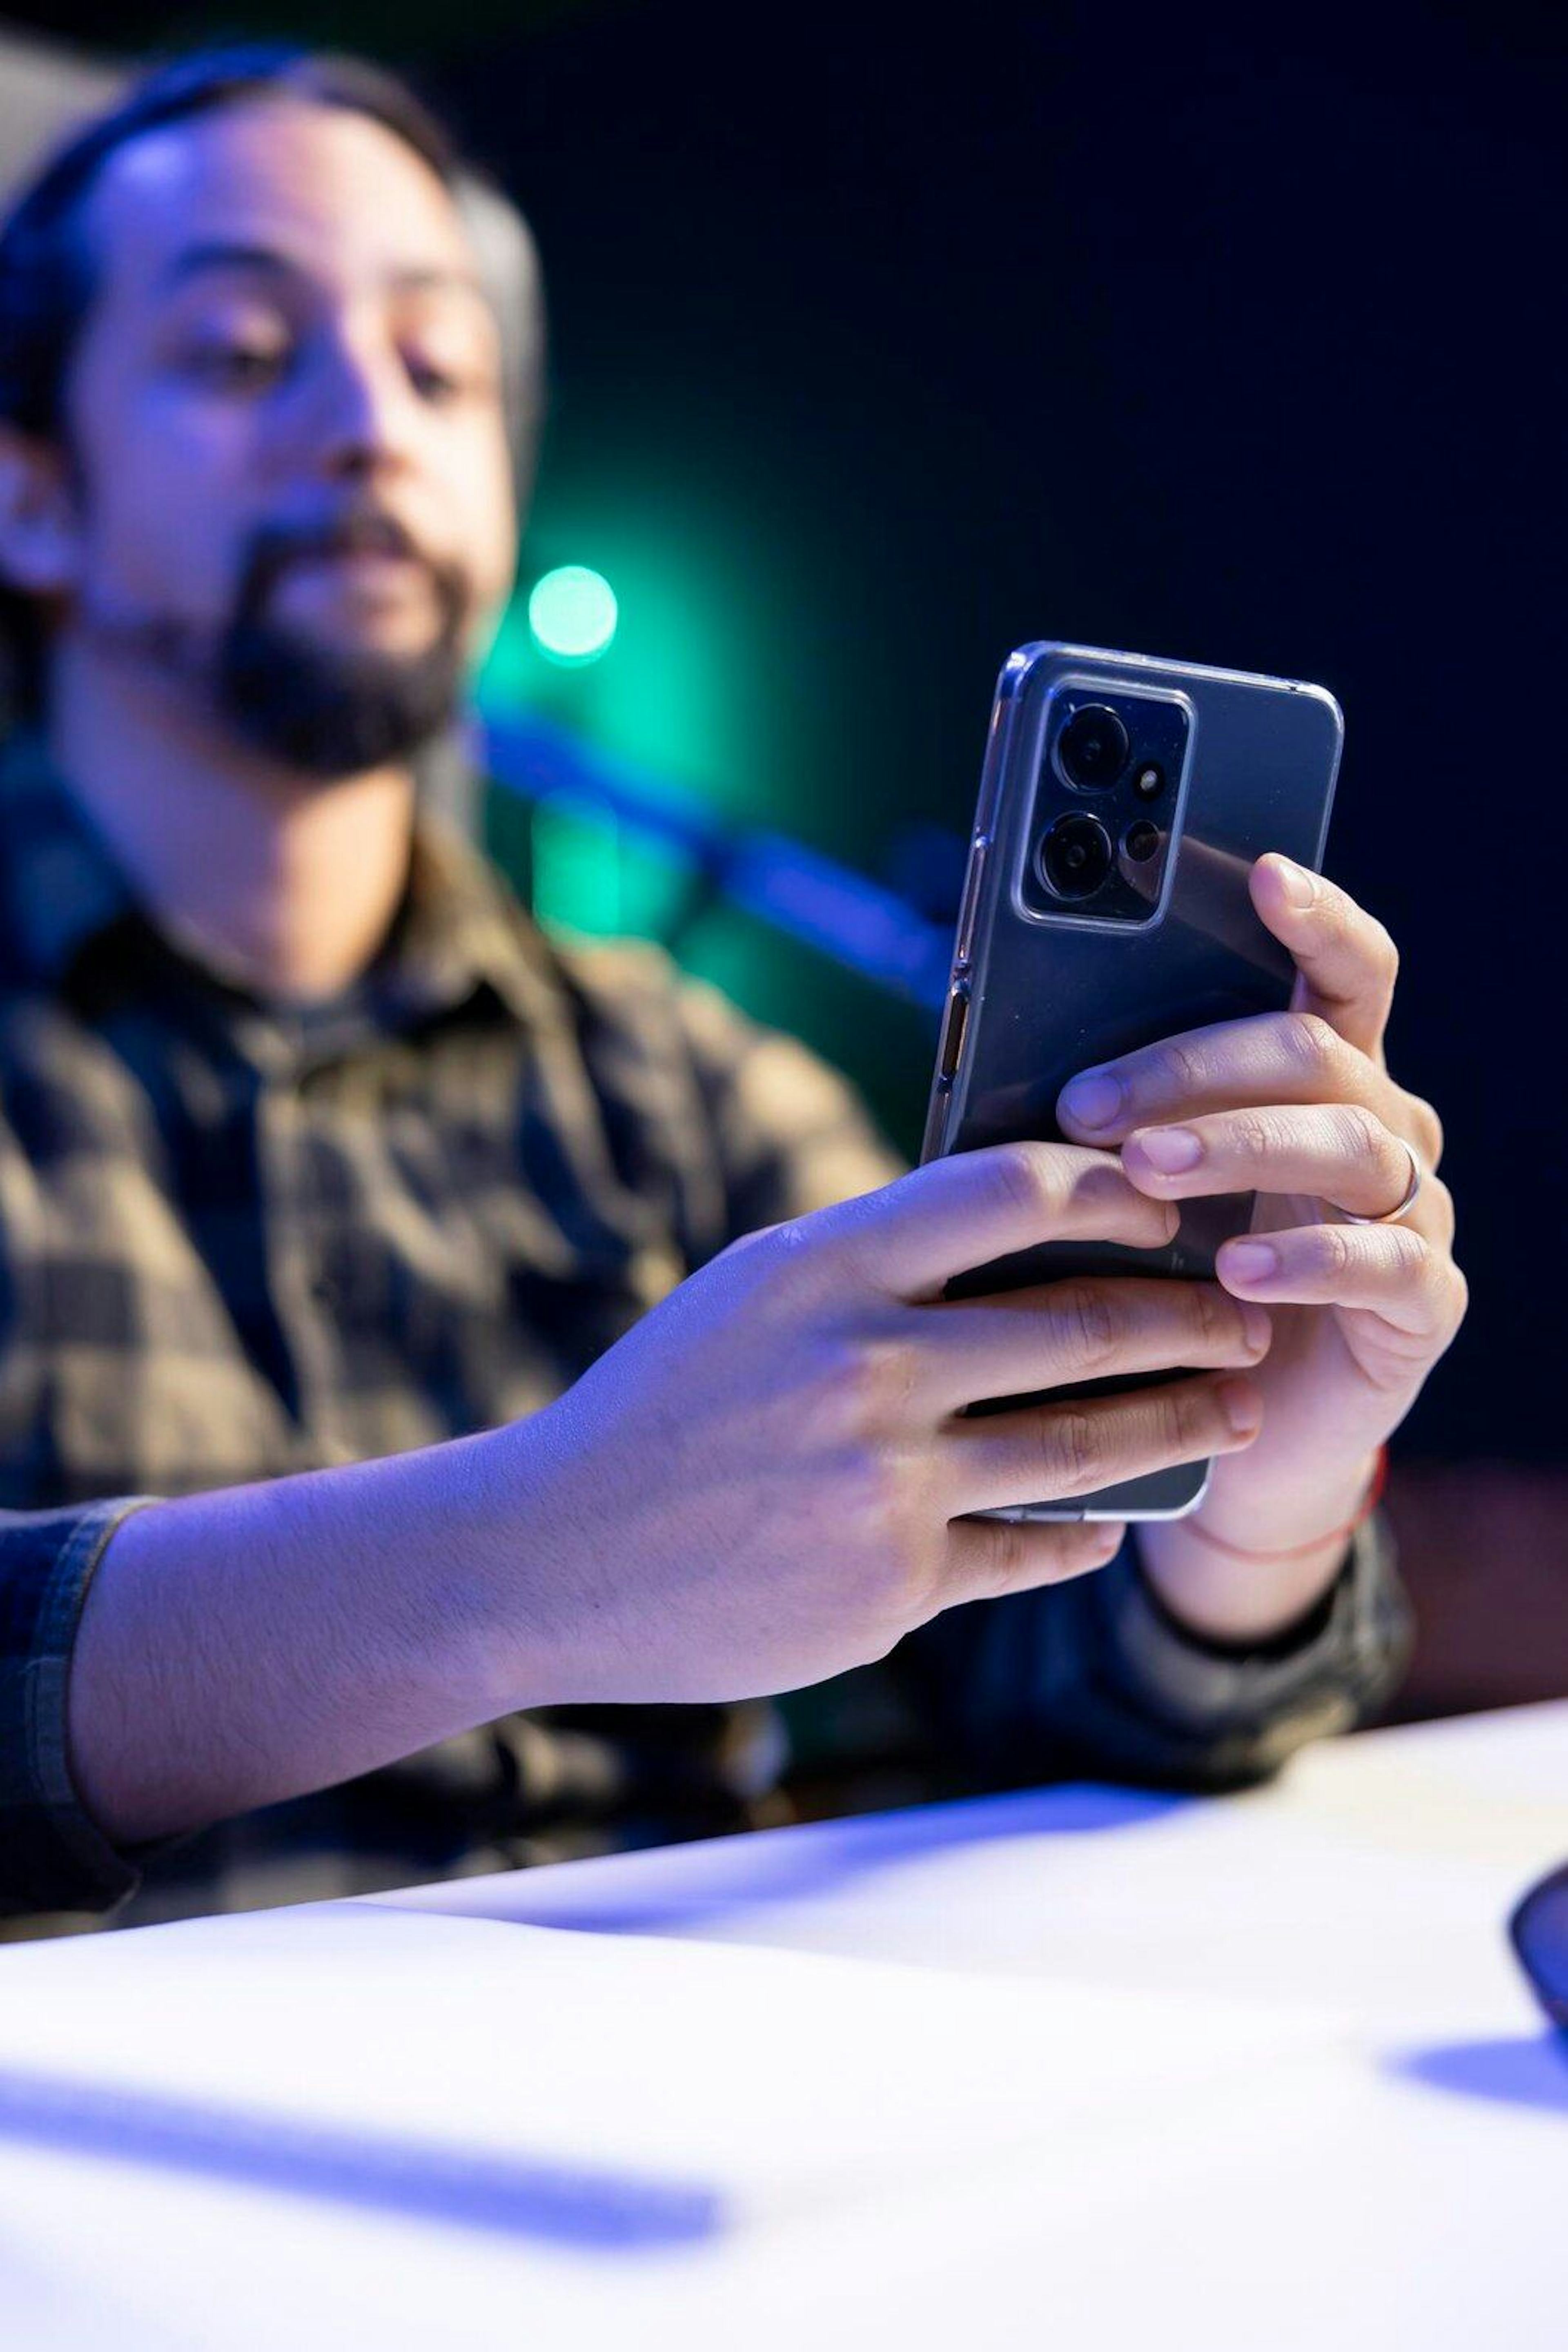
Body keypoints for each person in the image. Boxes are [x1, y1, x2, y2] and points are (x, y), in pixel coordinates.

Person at [0, 47, 1463, 1933]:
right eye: (238, 350)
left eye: (443, 369)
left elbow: (1048, 1672)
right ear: (33, 498)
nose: (371, 421)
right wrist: (527, 1555)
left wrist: (1259, 1478)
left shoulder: (681, 1085)